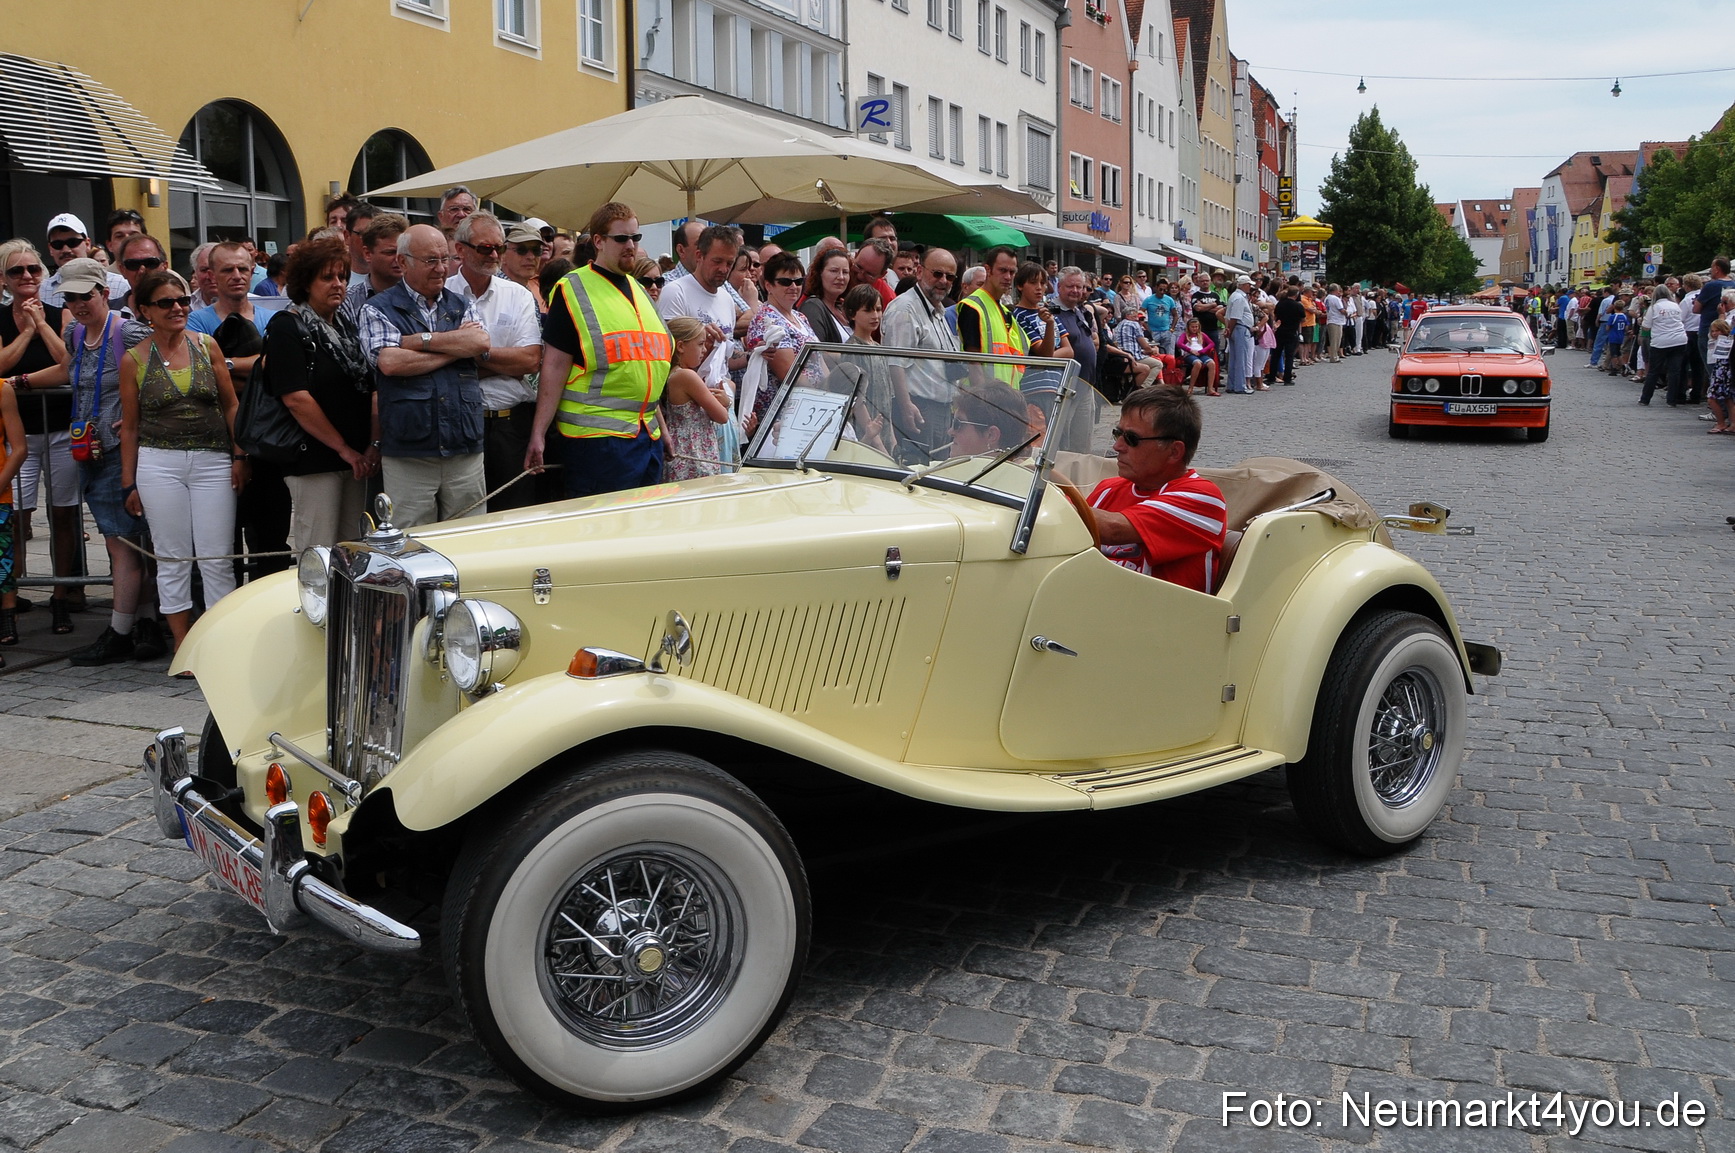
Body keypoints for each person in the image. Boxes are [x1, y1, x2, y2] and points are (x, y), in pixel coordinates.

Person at [34, 259, 161, 664]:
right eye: (69, 296)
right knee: (128, 544)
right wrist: (18, 382)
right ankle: (144, 625)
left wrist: (139, 411)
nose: (77, 303)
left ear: (104, 293)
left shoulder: (130, 330)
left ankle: (120, 632)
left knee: (123, 546)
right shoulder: (73, 333)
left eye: (84, 295)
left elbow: (169, 372)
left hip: (119, 454)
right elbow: (69, 372)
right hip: (87, 452)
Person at [119, 270, 243, 656]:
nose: (178, 308)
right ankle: (184, 644)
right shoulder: (133, 360)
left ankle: (222, 642)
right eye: (166, 302)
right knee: (172, 558)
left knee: (217, 557)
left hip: (213, 462)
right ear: (145, 311)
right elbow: (131, 427)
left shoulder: (207, 346)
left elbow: (231, 405)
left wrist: (240, 455)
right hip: (159, 464)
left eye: (183, 300)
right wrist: (129, 483)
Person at [529, 203, 672, 497]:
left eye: (636, 238)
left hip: (645, 438)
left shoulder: (640, 290)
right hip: (596, 443)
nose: (630, 246)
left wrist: (662, 431)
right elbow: (554, 366)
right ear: (598, 241)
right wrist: (538, 434)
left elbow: (644, 370)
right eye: (621, 239)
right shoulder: (573, 288)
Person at [360, 224, 490, 527]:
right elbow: (390, 363)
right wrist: (455, 347)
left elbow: (481, 343)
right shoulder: (377, 308)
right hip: (409, 452)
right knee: (412, 543)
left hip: (464, 448)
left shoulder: (462, 303)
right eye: (431, 260)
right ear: (403, 262)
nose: (442, 268)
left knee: (470, 539)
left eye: (445, 259)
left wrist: (420, 341)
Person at [265, 236, 377, 552]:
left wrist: (371, 445)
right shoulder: (288, 325)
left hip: (356, 457)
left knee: (354, 551)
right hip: (313, 460)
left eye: (342, 276)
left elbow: (370, 386)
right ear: (306, 282)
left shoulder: (346, 324)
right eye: (327, 277)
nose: (338, 284)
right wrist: (343, 449)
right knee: (319, 553)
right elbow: (296, 398)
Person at [187, 241, 289, 580]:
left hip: (267, 445)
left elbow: (275, 366)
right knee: (222, 542)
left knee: (270, 541)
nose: (236, 276)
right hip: (215, 443)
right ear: (212, 276)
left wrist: (224, 363)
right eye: (227, 269)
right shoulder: (195, 320)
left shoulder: (273, 318)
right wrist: (251, 367)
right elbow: (201, 372)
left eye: (243, 269)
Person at [1069, 386, 1226, 594]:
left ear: (1174, 451)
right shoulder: (1109, 488)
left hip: (1166, 621)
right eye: (1118, 433)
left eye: (1131, 439)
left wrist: (1044, 501)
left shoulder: (1203, 498)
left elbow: (1113, 529)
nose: (1117, 446)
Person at [0, 240, 79, 632]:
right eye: (17, 272)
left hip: (61, 429)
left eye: (33, 269)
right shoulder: (0, 318)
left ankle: (61, 594)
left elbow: (68, 364)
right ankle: (12, 595)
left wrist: (41, 325)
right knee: (16, 517)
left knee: (64, 514)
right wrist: (25, 331)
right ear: (4, 279)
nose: (27, 276)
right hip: (18, 437)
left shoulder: (59, 313)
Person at [447, 212, 543, 512]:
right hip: (459, 422)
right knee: (465, 514)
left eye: (499, 248)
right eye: (484, 248)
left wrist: (474, 357)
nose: (493, 255)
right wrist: (502, 364)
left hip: (512, 425)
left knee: (516, 513)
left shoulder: (517, 295)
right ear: (460, 249)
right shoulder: (441, 292)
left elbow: (530, 360)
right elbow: (440, 365)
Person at [658, 224, 744, 464]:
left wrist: (730, 388)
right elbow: (667, 357)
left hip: (722, 407)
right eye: (717, 261)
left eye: (729, 263)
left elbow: (725, 361)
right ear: (699, 255)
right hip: (690, 417)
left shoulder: (727, 299)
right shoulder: (675, 292)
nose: (723, 269)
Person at [880, 246, 960, 456]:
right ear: (919, 272)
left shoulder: (938, 309)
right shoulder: (905, 308)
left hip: (943, 409)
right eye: (937, 274)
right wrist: (906, 406)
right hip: (919, 409)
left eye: (950, 277)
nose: (943, 281)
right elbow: (894, 363)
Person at [742, 251, 821, 431]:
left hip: (809, 408)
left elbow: (820, 358)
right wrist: (825, 390)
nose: (793, 286)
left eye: (799, 281)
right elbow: (788, 373)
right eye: (785, 282)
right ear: (768, 285)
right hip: (781, 417)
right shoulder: (766, 319)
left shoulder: (800, 316)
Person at [659, 316, 733, 481]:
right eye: (700, 344)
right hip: (694, 453)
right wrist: (726, 402)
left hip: (680, 452)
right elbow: (721, 416)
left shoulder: (671, 374)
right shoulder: (687, 376)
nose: (704, 350)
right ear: (680, 346)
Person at [41, 213, 129, 307]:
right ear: (50, 249)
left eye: (73, 242)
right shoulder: (42, 290)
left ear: (87, 244)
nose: (66, 250)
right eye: (57, 244)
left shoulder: (119, 285)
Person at [342, 212, 408, 324]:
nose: (399, 259)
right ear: (367, 253)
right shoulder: (348, 301)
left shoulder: (422, 297)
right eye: (390, 252)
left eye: (404, 253)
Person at [1640, 285, 1688, 407]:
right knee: (1674, 371)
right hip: (1679, 339)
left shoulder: (1654, 307)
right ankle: (1672, 400)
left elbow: (1647, 326)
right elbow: (1680, 320)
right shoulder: (1675, 306)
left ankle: (1645, 398)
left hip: (1661, 341)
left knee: (1653, 371)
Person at [799, 248, 853, 344]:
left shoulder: (843, 309)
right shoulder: (812, 307)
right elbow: (817, 351)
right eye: (834, 271)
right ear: (820, 273)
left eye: (845, 272)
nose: (840, 277)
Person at [1224, 276, 1257, 393]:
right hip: (1240, 328)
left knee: (1234, 358)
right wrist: (1230, 329)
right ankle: (1240, 385)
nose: (1250, 287)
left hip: (1237, 328)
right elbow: (1235, 317)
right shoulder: (1239, 298)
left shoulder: (1236, 296)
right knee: (1241, 358)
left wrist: (1229, 329)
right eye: (1248, 284)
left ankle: (1232, 384)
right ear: (1243, 285)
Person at [500, 220, 545, 299]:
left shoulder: (527, 291)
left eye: (536, 250)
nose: (531, 257)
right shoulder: (494, 291)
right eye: (522, 250)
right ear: (502, 254)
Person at [1175, 317, 1219, 395]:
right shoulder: (1185, 335)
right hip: (1189, 355)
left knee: (1212, 363)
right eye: (1192, 327)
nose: (1194, 329)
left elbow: (1211, 343)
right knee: (1197, 363)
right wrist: (1190, 350)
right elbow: (1179, 343)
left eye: (1196, 327)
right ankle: (1191, 387)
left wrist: (1203, 351)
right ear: (1188, 327)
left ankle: (1210, 388)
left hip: (1201, 354)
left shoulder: (1202, 335)